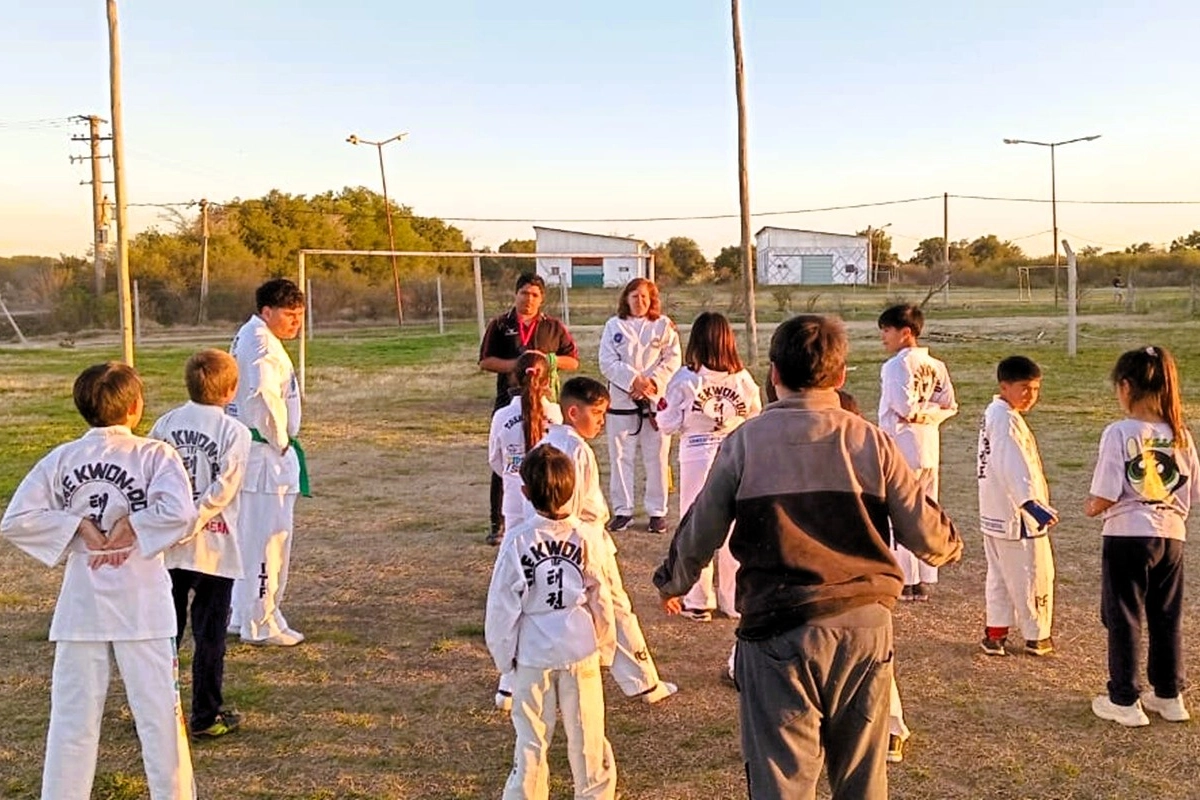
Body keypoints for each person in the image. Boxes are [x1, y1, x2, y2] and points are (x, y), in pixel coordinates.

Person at [654, 314, 961, 800]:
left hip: (778, 628)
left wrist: (673, 581)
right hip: (863, 627)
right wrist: (951, 545)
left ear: (774, 374)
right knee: (862, 781)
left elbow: (701, 528)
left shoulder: (745, 442)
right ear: (840, 376)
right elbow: (930, 536)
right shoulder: (871, 441)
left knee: (782, 781)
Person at [1, 362, 198, 800]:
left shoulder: (63, 459)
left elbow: (17, 519)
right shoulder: (155, 455)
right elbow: (181, 513)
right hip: (139, 607)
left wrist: (98, 525)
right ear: (135, 407)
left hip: (86, 607)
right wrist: (95, 525)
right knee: (160, 720)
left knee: (73, 721)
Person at [533, 377, 677, 705]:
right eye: (596, 413)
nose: (601, 421)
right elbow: (569, 508)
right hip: (584, 541)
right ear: (573, 412)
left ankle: (539, 675)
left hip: (560, 542)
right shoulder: (575, 450)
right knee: (615, 608)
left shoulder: (547, 442)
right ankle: (643, 682)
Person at [486, 444, 617, 800]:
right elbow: (601, 596)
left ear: (525, 492)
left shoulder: (517, 540)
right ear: (574, 489)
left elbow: (501, 607)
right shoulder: (586, 538)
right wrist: (605, 644)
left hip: (534, 651)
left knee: (531, 739)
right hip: (579, 648)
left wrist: (504, 658)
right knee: (588, 737)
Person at [1086, 345, 1199, 727]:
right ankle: (1169, 695)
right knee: (1166, 616)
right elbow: (1192, 490)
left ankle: (1124, 699)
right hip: (1172, 536)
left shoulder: (1119, 432)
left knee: (1124, 617)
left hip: (1127, 535)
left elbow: (1106, 491)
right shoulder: (1180, 433)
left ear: (1125, 386)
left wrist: (1091, 508)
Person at [149, 349, 252, 738]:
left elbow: (151, 478)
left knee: (166, 632)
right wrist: (195, 519)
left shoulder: (165, 424)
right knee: (209, 635)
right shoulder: (235, 432)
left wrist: (175, 521)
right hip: (214, 546)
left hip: (171, 544)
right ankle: (205, 716)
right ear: (231, 389)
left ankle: (156, 713)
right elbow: (225, 487)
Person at [657, 311, 761, 623]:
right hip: (735, 455)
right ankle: (733, 599)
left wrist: (659, 408)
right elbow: (755, 418)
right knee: (734, 527)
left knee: (697, 526)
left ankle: (698, 599)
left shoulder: (685, 380)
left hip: (697, 456)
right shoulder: (743, 380)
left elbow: (667, 423)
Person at [227, 278, 309, 646]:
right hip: (264, 457)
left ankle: (241, 613)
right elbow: (263, 397)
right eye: (289, 315)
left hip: (254, 453)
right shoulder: (261, 345)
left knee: (249, 539)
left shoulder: (252, 336)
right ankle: (260, 621)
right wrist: (280, 441)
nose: (296, 322)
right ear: (267, 311)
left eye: (300, 315)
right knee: (266, 544)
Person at [480, 273, 580, 545]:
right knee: (508, 460)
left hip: (543, 402)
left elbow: (573, 360)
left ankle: (547, 512)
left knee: (546, 458)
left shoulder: (553, 326)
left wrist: (546, 361)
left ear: (542, 298)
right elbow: (485, 361)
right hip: (509, 400)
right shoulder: (500, 325)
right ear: (515, 294)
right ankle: (498, 522)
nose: (529, 299)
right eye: (524, 293)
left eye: (535, 294)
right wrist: (519, 366)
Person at [977, 356, 1058, 658]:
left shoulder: (995, 413)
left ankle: (995, 634)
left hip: (996, 513)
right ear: (1004, 386)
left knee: (1000, 576)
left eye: (1035, 389)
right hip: (1018, 517)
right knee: (1034, 574)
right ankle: (1037, 636)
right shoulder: (1006, 420)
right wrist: (1030, 504)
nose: (1030, 395)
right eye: (1024, 388)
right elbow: (1011, 463)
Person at [877, 303, 958, 601]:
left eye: (887, 330)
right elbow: (947, 405)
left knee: (900, 511)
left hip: (901, 446)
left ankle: (907, 578)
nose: (883, 337)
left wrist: (917, 414)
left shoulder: (896, 366)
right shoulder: (936, 365)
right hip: (928, 445)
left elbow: (904, 407)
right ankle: (924, 575)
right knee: (925, 509)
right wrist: (929, 414)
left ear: (906, 332)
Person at [598, 278, 681, 533]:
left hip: (655, 401)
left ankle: (657, 511)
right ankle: (623, 511)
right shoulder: (614, 325)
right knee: (620, 457)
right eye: (634, 296)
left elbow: (672, 359)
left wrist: (651, 383)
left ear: (652, 299)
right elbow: (607, 362)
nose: (639, 301)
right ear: (626, 299)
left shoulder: (663, 325)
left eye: (644, 296)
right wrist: (634, 381)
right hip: (622, 401)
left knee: (657, 458)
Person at [489, 351, 564, 533]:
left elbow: (495, 460)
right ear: (547, 380)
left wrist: (512, 472)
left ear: (514, 378)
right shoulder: (555, 413)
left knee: (515, 545)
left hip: (513, 496)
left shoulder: (501, 416)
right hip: (549, 495)